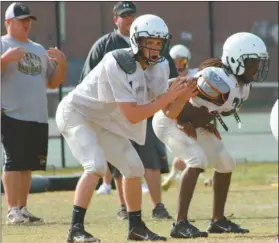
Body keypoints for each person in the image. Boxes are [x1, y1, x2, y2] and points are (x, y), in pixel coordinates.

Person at [56, 14, 197, 242]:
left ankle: (136, 227)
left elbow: (168, 111)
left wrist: (182, 97)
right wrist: (170, 95)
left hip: (104, 121)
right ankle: (75, 229)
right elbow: (132, 115)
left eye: (158, 43)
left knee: (133, 167)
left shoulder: (159, 67)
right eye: (148, 42)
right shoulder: (118, 61)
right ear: (136, 41)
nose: (154, 49)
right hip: (77, 113)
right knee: (96, 165)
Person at [153, 32, 269, 238]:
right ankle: (180, 224)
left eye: (258, 62)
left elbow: (208, 107)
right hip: (169, 120)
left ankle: (218, 221)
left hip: (195, 124)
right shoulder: (216, 78)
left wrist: (205, 122)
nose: (256, 67)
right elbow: (172, 91)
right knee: (197, 159)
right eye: (252, 62)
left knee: (226, 162)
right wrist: (182, 121)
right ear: (235, 59)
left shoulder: (241, 85)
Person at [80, 1, 176, 220]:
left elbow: (166, 76)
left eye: (132, 14)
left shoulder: (154, 40)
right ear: (116, 19)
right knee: (121, 161)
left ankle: (158, 205)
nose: (129, 18)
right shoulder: (105, 44)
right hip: (115, 114)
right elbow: (88, 78)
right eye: (124, 15)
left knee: (150, 159)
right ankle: (125, 206)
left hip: (147, 109)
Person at [1, 2, 67, 225]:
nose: (27, 23)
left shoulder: (38, 49)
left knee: (28, 164)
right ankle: (12, 210)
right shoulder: (2, 45)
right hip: (11, 113)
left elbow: (51, 83)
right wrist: (4, 60)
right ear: (8, 22)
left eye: (29, 20)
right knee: (14, 162)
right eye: (22, 20)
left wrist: (62, 65)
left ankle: (22, 208)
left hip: (37, 115)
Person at [161, 44, 196, 191]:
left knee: (186, 152)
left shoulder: (194, 74)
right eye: (175, 62)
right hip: (173, 118)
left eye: (181, 62)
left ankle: (174, 176)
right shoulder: (165, 77)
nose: (178, 66)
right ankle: (176, 176)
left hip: (192, 118)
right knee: (183, 151)